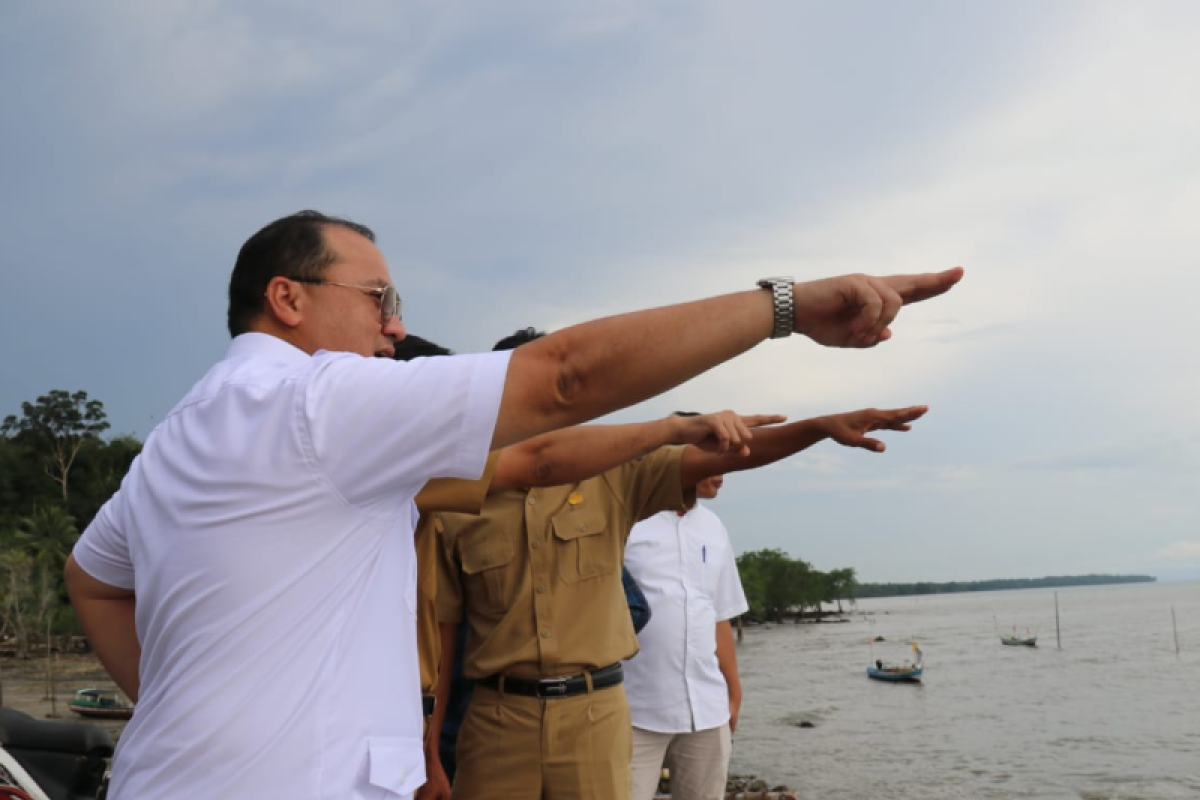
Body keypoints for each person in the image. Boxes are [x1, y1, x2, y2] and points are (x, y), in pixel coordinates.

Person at [64, 209, 962, 800]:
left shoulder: (188, 434)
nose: (391, 327)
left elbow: (92, 579)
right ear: (287, 297)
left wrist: (174, 706)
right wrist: (788, 305)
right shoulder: (315, 404)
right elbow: (565, 380)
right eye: (379, 299)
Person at [435, 332, 933, 800]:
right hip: (496, 717)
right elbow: (442, 636)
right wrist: (428, 751)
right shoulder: (456, 495)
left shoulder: (615, 478)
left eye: (557, 392)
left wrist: (820, 428)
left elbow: (726, 456)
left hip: (594, 714)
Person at [623, 466, 747, 800]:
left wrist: (734, 695)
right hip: (632, 708)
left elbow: (719, 614)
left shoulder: (714, 527)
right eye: (712, 463)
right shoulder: (627, 521)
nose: (723, 473)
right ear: (677, 460)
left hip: (707, 709)